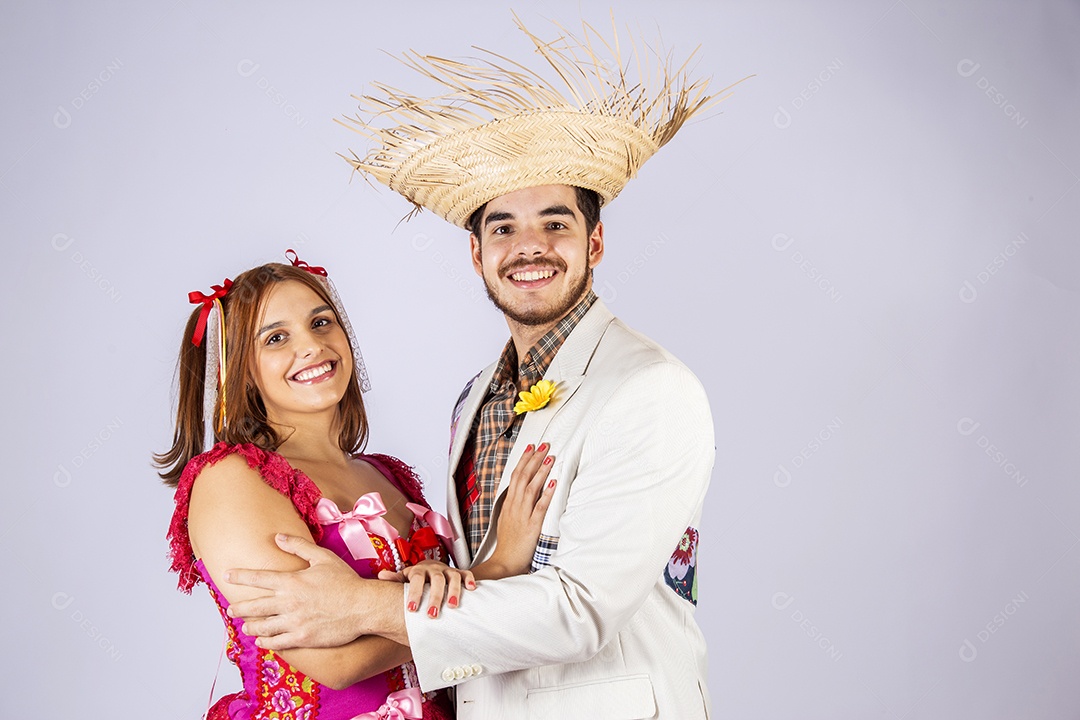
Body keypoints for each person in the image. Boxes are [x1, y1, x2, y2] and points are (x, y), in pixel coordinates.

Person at [227, 17, 731, 719]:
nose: (531, 247)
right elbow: (482, 594)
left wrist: (360, 603)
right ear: (477, 254)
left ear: (597, 242)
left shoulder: (650, 389)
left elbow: (578, 613)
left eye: (556, 223)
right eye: (504, 228)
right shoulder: (476, 401)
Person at [156, 253, 556, 719]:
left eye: (321, 322)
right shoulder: (230, 478)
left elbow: (419, 609)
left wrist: (430, 588)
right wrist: (498, 569)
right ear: (241, 369)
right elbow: (334, 663)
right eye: (277, 338)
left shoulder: (385, 475)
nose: (310, 346)